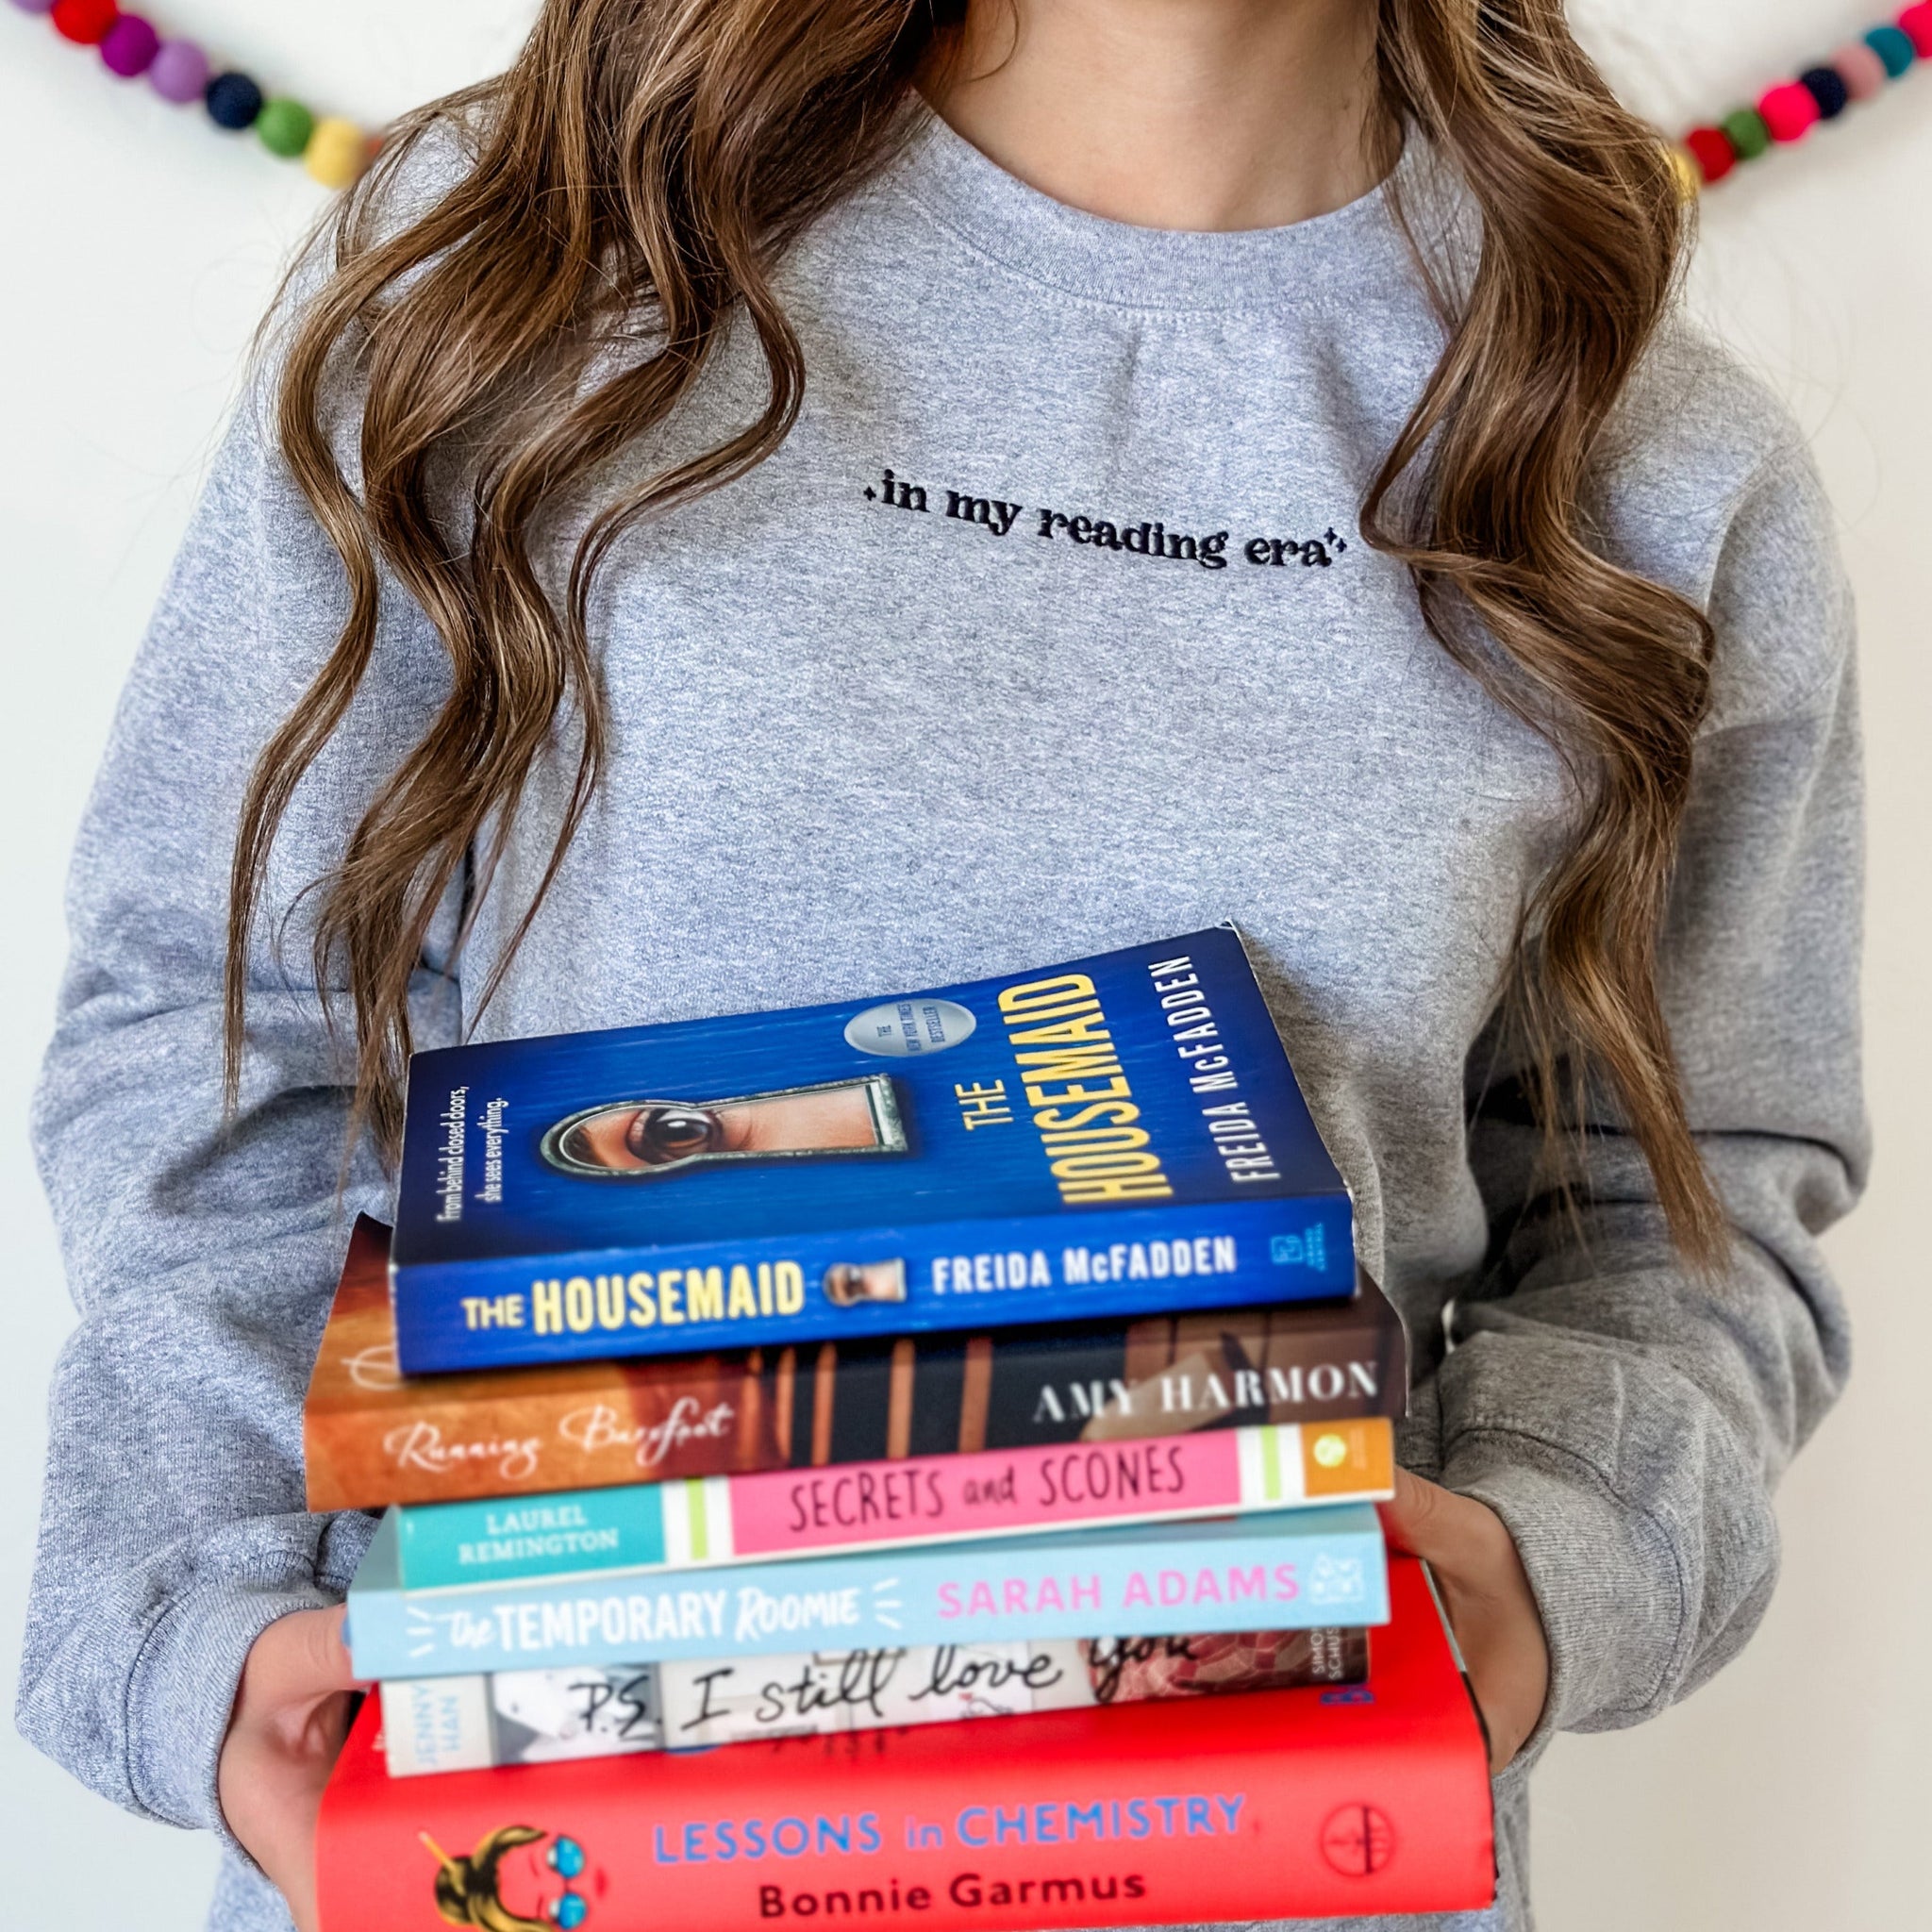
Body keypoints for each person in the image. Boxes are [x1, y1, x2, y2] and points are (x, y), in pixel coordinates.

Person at [19, 1, 1864, 1929]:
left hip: (1270, 1844)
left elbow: (1688, 1198)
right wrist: (210, 1613)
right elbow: (226, 1032)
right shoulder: (535, 262)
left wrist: (1556, 1557)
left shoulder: (1660, 473)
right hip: (527, 1835)